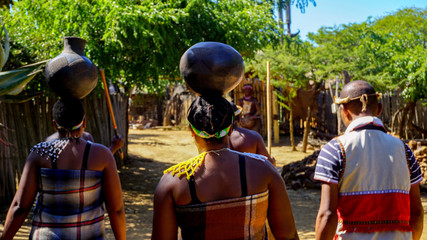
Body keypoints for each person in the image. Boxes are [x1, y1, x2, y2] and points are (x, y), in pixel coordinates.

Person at [152, 95, 299, 240]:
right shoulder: (265, 171)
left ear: (191, 131)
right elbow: (288, 235)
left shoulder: (172, 182)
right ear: (230, 129)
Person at [1, 98, 126, 240]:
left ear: (55, 125)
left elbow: (20, 207)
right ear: (84, 122)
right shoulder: (102, 155)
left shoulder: (39, 154)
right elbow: (116, 210)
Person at [314, 80, 424, 240]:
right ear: (379, 109)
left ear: (344, 111)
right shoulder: (405, 151)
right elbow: (417, 214)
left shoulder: (334, 150)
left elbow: (327, 215)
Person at [45, 128, 124, 154]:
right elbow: (95, 166)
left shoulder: (48, 142)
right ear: (84, 123)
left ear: (55, 125)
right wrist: (113, 148)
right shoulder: (87, 138)